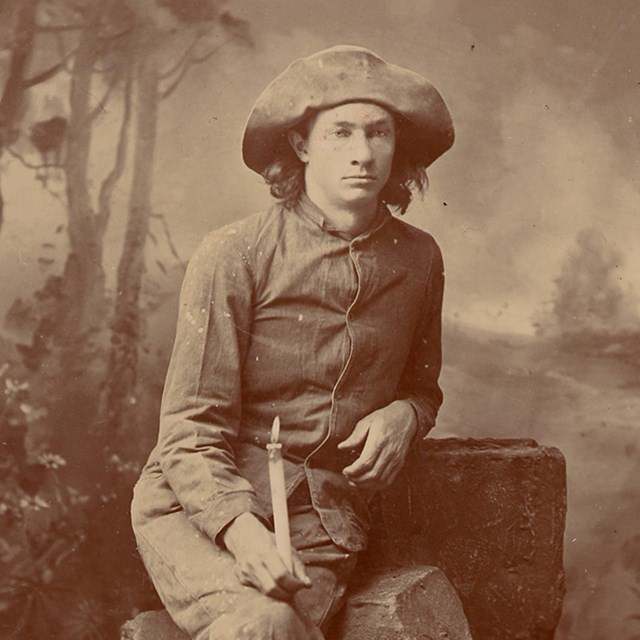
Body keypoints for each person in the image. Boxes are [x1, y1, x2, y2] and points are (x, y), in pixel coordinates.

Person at [131, 45, 454, 640]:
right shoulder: (236, 253)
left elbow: (421, 388)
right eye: (340, 133)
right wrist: (241, 530)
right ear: (301, 145)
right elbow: (189, 432)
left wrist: (406, 414)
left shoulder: (419, 259)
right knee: (260, 624)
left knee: (279, 625)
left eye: (378, 133)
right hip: (200, 503)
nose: (362, 153)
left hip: (321, 516)